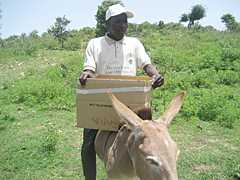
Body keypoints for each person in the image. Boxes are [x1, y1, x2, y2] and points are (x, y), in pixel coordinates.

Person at [79, 4, 164, 180]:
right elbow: (89, 68)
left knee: (146, 142)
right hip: (102, 103)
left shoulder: (134, 43)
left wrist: (155, 75)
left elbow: (146, 65)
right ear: (108, 23)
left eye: (125, 21)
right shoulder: (95, 44)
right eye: (118, 21)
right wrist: (86, 74)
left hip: (130, 105)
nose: (124, 25)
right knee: (88, 144)